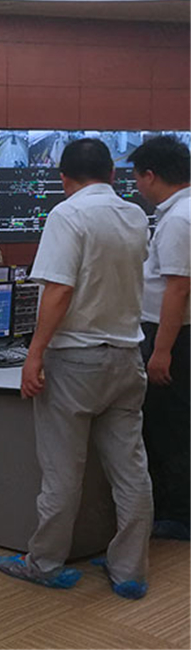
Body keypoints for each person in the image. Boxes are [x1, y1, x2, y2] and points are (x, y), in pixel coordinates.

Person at [0, 138, 153, 600]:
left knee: (62, 473)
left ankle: (44, 564)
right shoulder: (135, 215)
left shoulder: (67, 215)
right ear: (113, 174)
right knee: (131, 471)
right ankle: (130, 571)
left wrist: (34, 353)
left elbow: (59, 290)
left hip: (76, 360)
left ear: (63, 178)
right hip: (127, 357)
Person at [130, 135, 190, 541]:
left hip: (172, 337)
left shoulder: (179, 219)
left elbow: (178, 288)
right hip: (178, 335)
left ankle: (176, 516)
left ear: (151, 175)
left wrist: (161, 351)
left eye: (137, 178)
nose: (137, 187)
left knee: (168, 427)